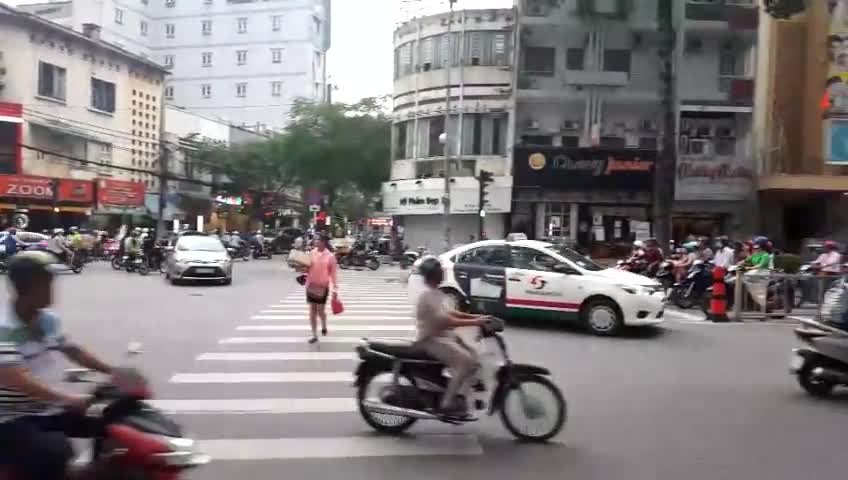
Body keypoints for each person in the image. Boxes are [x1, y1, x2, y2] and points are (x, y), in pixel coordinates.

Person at [0, 252, 114, 480]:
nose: (53, 289)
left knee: (115, 421)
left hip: (50, 409)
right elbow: (16, 377)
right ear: (28, 286)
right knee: (55, 451)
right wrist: (67, 399)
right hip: (12, 417)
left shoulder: (47, 320)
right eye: (47, 283)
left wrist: (114, 372)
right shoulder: (4, 326)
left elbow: (73, 350)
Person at [414, 256, 487, 418]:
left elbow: (451, 312)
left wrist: (475, 317)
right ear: (434, 274)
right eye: (441, 271)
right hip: (431, 340)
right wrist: (475, 321)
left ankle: (460, 396)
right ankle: (447, 403)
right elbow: (444, 319)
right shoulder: (427, 295)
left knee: (474, 358)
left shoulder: (437, 293)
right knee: (465, 361)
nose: (444, 273)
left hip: (443, 336)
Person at [304, 233, 338, 344]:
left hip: (322, 286)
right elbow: (306, 268)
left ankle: (323, 323)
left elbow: (333, 274)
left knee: (320, 310)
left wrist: (335, 289)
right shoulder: (310, 253)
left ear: (323, 242)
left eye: (317, 240)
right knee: (312, 311)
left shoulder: (330, 256)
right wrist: (301, 270)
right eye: (314, 240)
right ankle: (314, 335)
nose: (315, 241)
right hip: (311, 285)